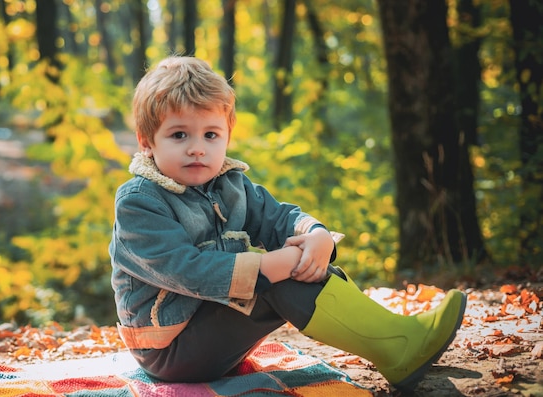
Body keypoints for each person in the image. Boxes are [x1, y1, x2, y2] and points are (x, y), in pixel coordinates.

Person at [109, 55, 467, 392]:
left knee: (295, 264)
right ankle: (398, 347)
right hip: (168, 349)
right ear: (147, 143)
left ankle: (398, 340)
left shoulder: (230, 185)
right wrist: (267, 266)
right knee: (274, 278)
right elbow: (186, 270)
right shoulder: (140, 201)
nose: (197, 148)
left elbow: (278, 216)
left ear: (227, 137)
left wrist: (315, 235)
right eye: (179, 135)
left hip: (212, 330)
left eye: (211, 135)